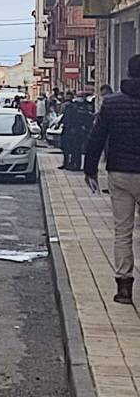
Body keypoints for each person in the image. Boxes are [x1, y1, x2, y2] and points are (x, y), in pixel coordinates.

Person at [85, 56, 140, 305]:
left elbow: (96, 138)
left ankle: (124, 287)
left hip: (120, 174)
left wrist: (90, 170)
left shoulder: (111, 103)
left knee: (123, 231)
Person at [61, 92, 94, 171]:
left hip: (79, 131)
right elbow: (67, 117)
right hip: (70, 129)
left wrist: (85, 128)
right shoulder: (72, 106)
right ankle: (70, 164)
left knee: (76, 148)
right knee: (70, 148)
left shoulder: (85, 106)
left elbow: (88, 118)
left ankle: (76, 165)